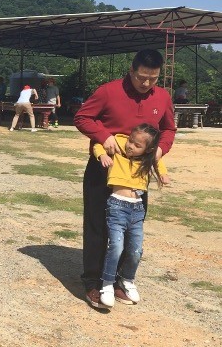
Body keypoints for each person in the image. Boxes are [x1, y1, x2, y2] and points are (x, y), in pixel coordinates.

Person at [74, 49, 176, 309]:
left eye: (153, 79)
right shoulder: (108, 91)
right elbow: (82, 117)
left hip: (138, 175)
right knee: (98, 225)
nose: (146, 84)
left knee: (130, 228)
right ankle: (94, 283)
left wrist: (161, 149)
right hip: (104, 168)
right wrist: (103, 135)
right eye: (142, 77)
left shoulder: (162, 97)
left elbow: (168, 128)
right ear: (131, 71)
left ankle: (119, 281)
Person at [93, 123, 170, 307]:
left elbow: (158, 160)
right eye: (131, 141)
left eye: (137, 145)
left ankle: (127, 279)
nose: (130, 146)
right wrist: (102, 154)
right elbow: (99, 144)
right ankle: (107, 284)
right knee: (116, 247)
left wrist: (163, 175)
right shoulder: (119, 144)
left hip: (137, 208)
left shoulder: (148, 157)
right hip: (117, 206)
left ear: (148, 148)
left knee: (136, 250)